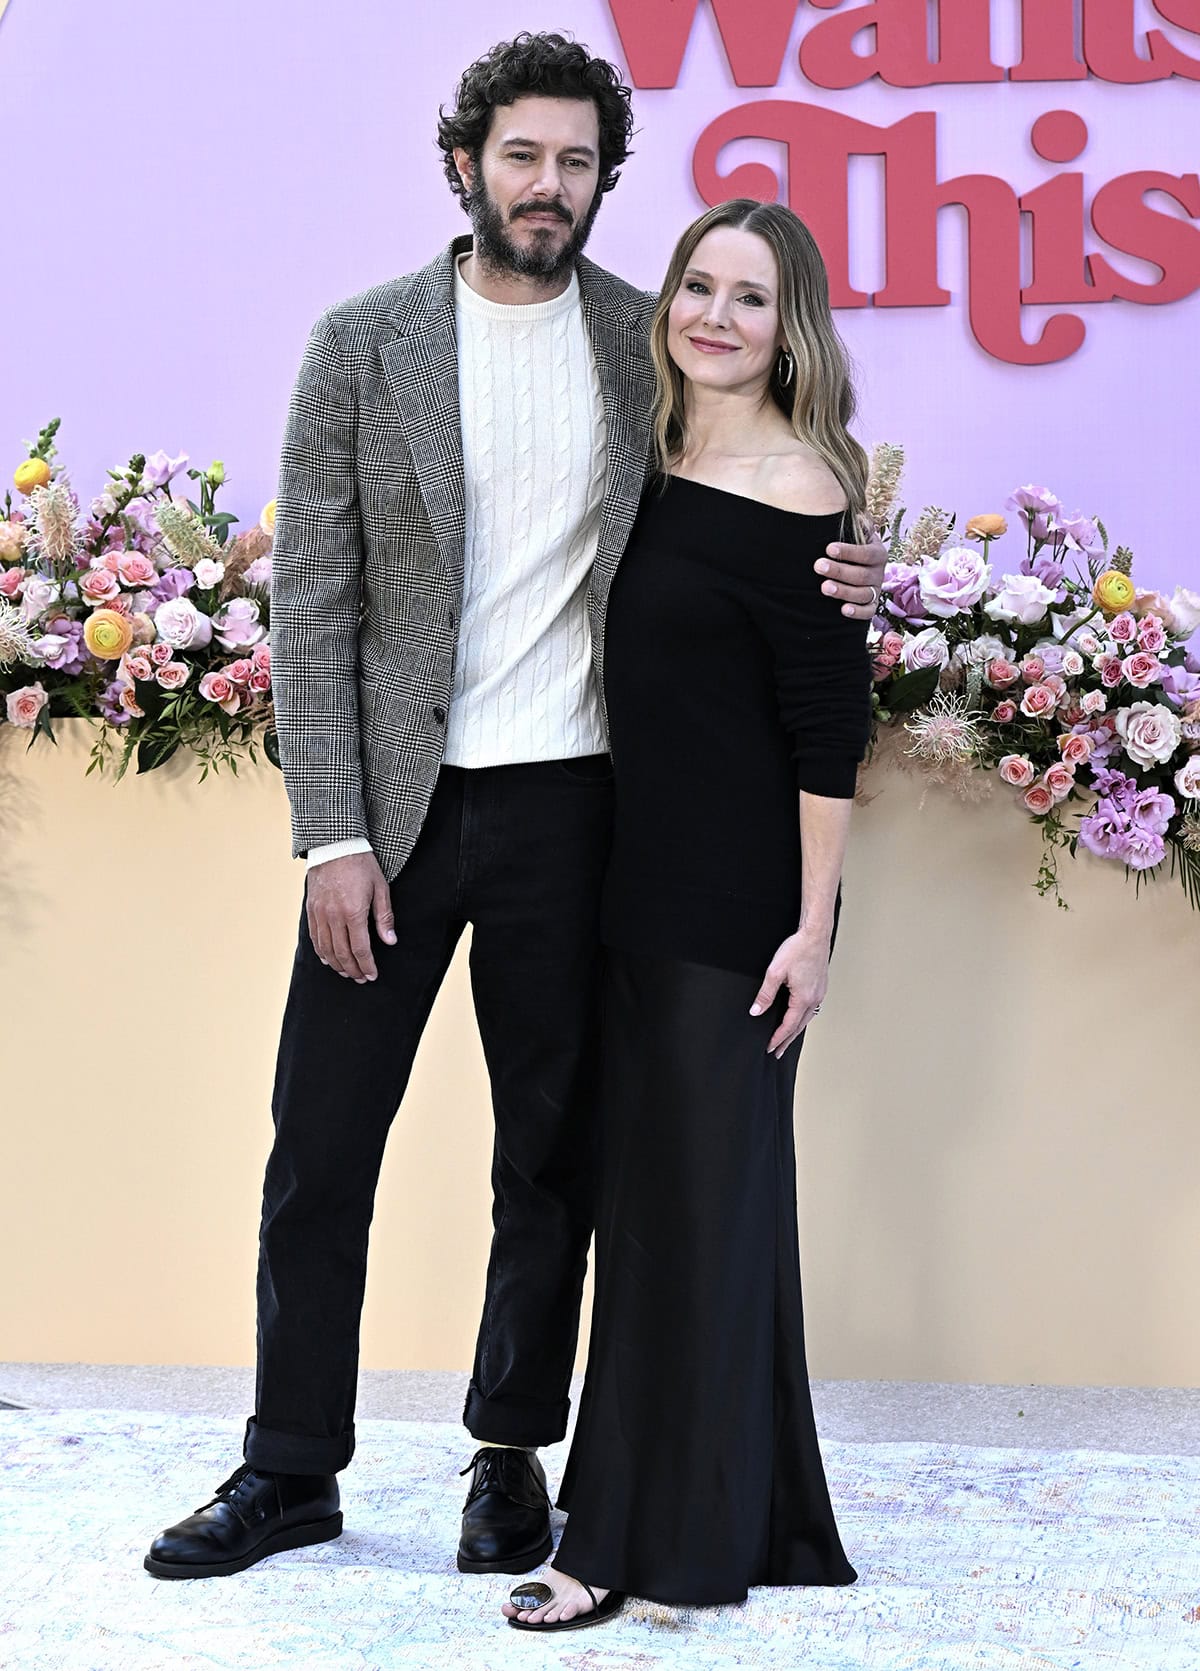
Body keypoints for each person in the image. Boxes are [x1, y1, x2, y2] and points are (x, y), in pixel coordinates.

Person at [143, 36, 885, 1583]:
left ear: (607, 183)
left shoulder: (648, 342)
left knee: (550, 1156)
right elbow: (318, 606)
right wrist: (332, 834)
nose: (548, 185)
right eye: (523, 156)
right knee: (319, 1148)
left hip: (582, 816)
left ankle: (510, 1456)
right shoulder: (362, 342)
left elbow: (762, 504)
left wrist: (849, 566)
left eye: (578, 162)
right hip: (397, 819)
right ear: (465, 163)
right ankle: (289, 1467)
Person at [502, 198, 870, 1633]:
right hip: (622, 888)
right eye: (698, 287)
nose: (717, 315)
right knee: (687, 1214)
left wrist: (814, 929)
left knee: (679, 1224)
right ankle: (752, 1509)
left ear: (795, 329)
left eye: (753, 297)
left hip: (734, 914)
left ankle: (623, 1543)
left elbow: (826, 732)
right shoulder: (641, 460)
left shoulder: (805, 489)